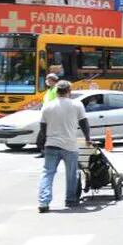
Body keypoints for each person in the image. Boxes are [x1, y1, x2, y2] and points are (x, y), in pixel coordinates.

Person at [36, 81, 91, 213]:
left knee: (47, 173)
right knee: (71, 174)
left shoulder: (47, 106)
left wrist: (44, 142)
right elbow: (84, 123)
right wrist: (88, 138)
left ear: (56, 91)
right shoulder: (77, 104)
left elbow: (43, 127)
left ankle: (43, 202)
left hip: (51, 145)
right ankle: (70, 200)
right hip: (69, 146)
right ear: (69, 91)